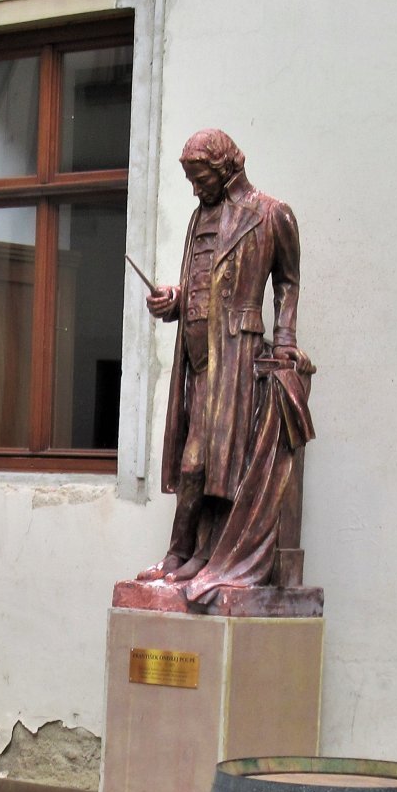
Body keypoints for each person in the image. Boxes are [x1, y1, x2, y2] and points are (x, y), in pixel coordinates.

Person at [138, 129, 313, 606]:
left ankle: (203, 554)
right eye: (191, 180)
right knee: (193, 458)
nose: (194, 189)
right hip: (198, 355)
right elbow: (198, 284)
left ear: (225, 169)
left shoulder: (271, 214)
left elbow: (288, 285)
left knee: (213, 459)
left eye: (199, 178)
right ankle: (183, 553)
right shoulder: (201, 216)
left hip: (237, 351)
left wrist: (286, 343)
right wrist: (172, 300)